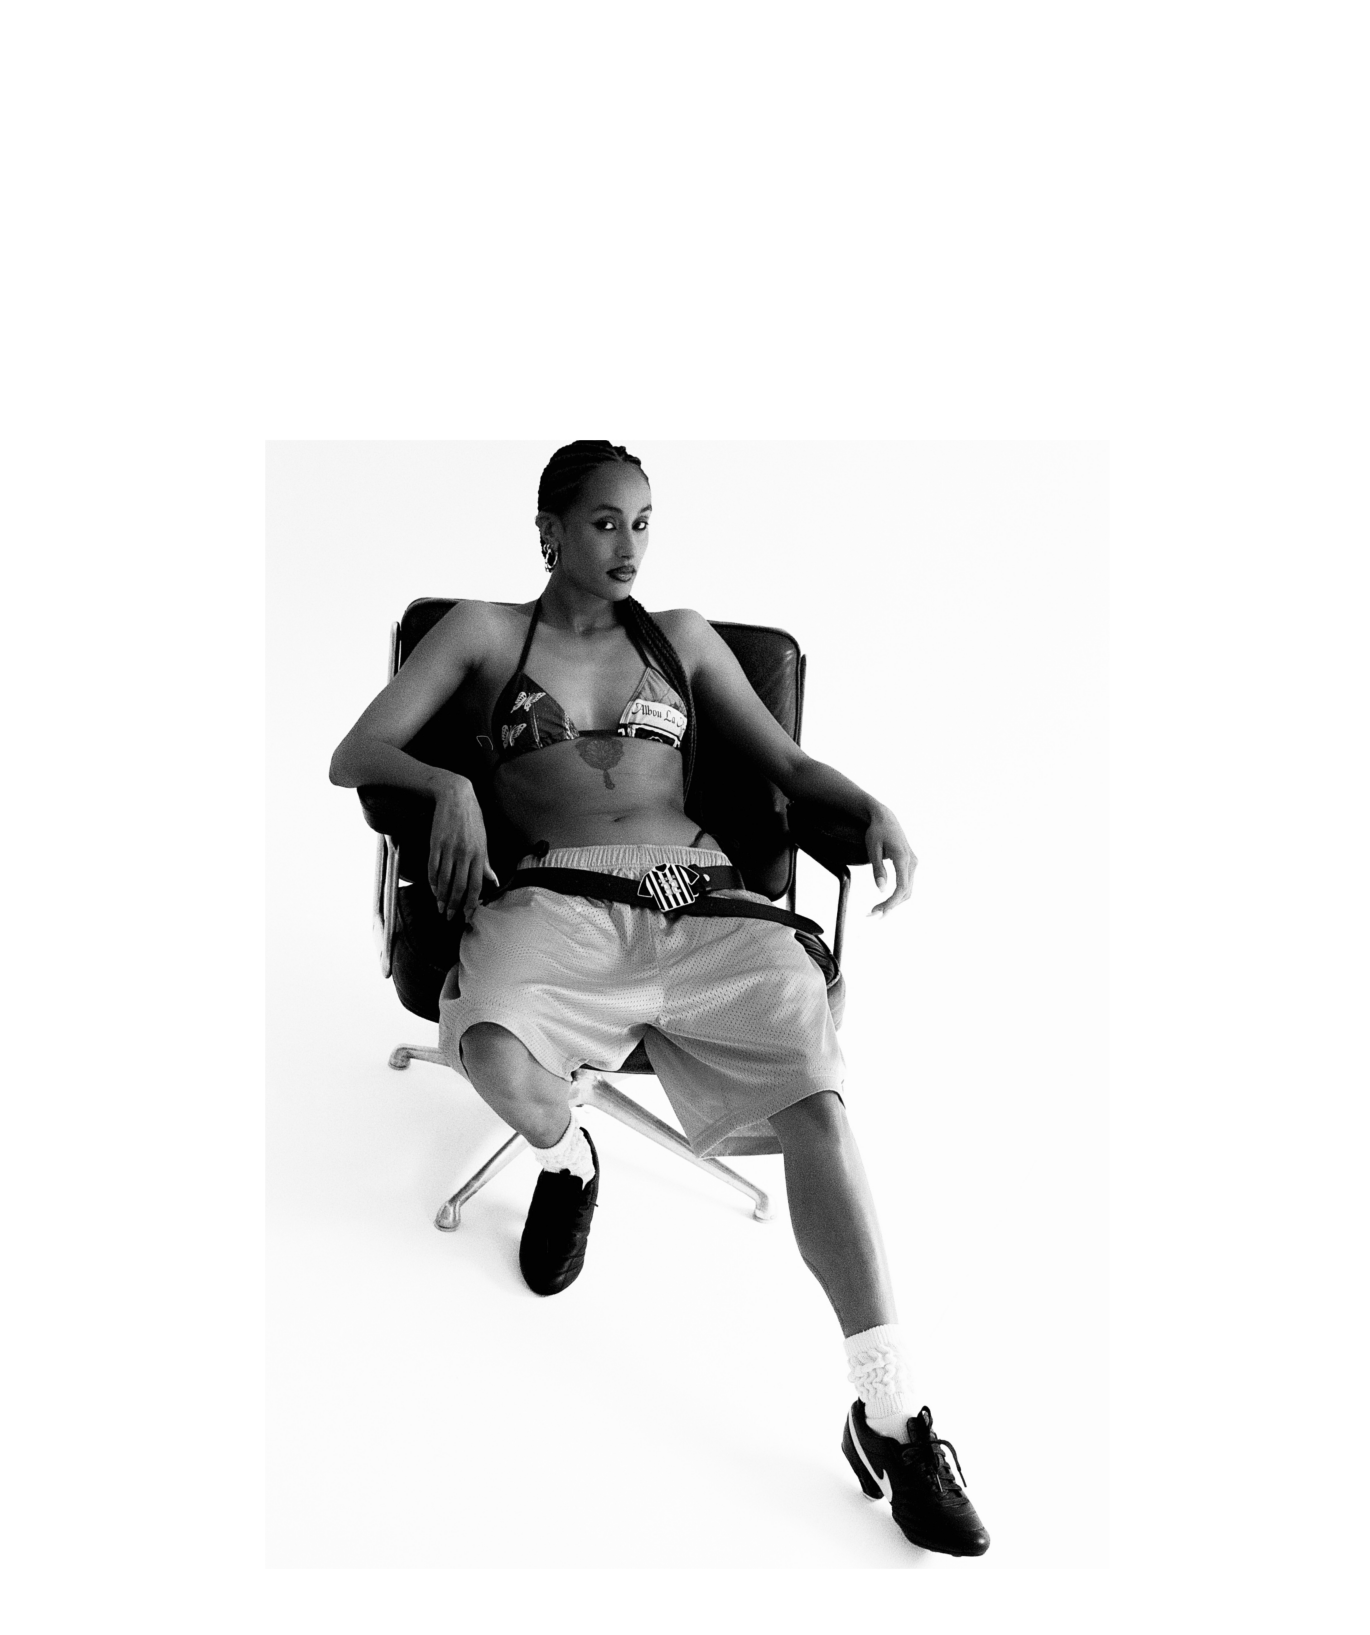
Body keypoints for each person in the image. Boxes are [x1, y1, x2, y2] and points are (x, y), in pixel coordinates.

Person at [330, 441, 988, 1556]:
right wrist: (447, 785)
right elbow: (356, 752)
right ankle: (567, 1157)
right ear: (547, 532)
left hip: (701, 897)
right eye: (602, 522)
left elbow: (787, 768)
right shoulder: (482, 633)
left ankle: (892, 1416)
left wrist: (871, 807)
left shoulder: (680, 640)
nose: (627, 544)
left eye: (641, 522)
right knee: (491, 1052)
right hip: (556, 898)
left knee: (820, 1105)